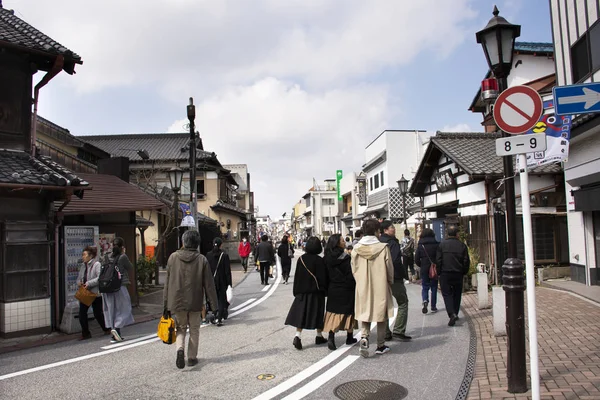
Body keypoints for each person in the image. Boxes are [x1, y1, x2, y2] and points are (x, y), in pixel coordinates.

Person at [164, 230, 219, 369]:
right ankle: (192, 357)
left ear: (183, 242)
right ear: (197, 244)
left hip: (177, 301)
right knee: (194, 329)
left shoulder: (173, 258)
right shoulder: (201, 259)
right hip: (195, 301)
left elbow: (167, 284)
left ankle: (179, 350)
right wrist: (214, 306)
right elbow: (209, 285)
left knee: (180, 328)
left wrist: (165, 306)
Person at [351, 219, 394, 357]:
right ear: (377, 231)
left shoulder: (356, 249)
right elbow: (389, 268)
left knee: (365, 313)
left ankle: (364, 336)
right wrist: (390, 281)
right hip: (380, 284)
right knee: (381, 315)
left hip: (363, 285)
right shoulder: (383, 248)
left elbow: (353, 268)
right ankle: (380, 345)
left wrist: (359, 280)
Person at [285, 237, 328, 350]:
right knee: (318, 313)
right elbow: (323, 277)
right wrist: (325, 290)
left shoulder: (301, 259)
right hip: (316, 292)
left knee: (302, 314)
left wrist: (296, 292)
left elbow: (298, 276)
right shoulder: (319, 260)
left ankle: (297, 336)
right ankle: (319, 335)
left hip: (302, 292)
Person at [323, 234, 357, 350]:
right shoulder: (345, 257)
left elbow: (325, 275)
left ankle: (331, 336)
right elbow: (350, 273)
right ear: (337, 243)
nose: (344, 242)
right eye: (342, 241)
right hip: (346, 287)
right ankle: (349, 336)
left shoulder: (326, 258)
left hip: (333, 287)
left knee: (333, 313)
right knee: (349, 312)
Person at [379, 221, 411, 342]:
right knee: (403, 302)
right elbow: (396, 261)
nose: (394, 229)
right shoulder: (392, 243)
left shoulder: (378, 242)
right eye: (392, 227)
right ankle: (399, 330)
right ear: (386, 230)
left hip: (381, 278)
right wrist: (403, 274)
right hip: (394, 277)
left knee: (385, 305)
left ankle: (386, 332)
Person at [435, 225, 470, 326]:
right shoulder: (462, 245)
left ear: (448, 234)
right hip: (458, 273)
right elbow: (466, 260)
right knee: (457, 293)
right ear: (457, 234)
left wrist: (439, 272)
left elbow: (438, 260)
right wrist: (464, 271)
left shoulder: (442, 245)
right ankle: (455, 312)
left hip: (445, 273)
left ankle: (451, 313)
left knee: (447, 294)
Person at [102, 237, 134, 343]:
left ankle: (114, 331)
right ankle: (116, 328)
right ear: (122, 247)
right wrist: (124, 253)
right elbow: (130, 267)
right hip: (120, 286)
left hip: (107, 287)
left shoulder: (106, 256)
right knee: (125, 308)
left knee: (111, 310)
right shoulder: (122, 257)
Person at [77, 246, 110, 340]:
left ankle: (106, 328)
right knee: (82, 313)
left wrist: (88, 283)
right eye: (82, 254)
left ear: (90, 256)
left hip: (95, 293)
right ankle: (85, 333)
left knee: (97, 313)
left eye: (84, 254)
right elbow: (79, 277)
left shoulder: (96, 264)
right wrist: (79, 282)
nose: (83, 256)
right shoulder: (83, 265)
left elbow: (99, 278)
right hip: (86, 292)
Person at [207, 237, 232, 326]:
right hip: (222, 281)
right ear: (221, 245)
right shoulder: (224, 255)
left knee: (213, 299)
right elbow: (227, 271)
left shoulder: (208, 255)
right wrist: (229, 283)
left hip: (211, 281)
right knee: (221, 300)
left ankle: (214, 314)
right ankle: (219, 318)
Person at [415, 228, 440, 314]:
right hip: (434, 267)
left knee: (425, 286)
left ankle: (425, 300)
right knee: (434, 287)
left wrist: (421, 265)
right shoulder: (436, 244)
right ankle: (433, 306)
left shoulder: (420, 245)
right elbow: (439, 257)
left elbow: (416, 258)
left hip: (424, 267)